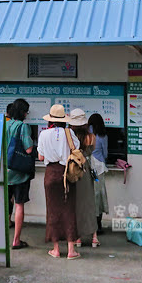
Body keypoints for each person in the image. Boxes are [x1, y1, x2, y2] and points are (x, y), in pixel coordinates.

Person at [37, 104, 80, 259]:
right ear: (64, 119)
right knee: (69, 209)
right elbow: (76, 149)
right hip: (66, 174)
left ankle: (55, 249)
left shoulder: (43, 134)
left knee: (52, 210)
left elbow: (41, 157)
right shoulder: (69, 133)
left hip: (50, 174)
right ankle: (71, 250)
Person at [6, 98, 35, 250]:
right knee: (19, 205)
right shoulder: (22, 127)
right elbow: (29, 149)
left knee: (4, 205)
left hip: (5, 171)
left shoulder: (4, 125)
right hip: (19, 173)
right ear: (23, 112)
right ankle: (16, 240)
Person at [70, 109, 99, 248]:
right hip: (86, 170)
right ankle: (94, 237)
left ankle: (78, 238)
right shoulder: (91, 137)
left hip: (74, 169)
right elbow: (92, 151)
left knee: (76, 203)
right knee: (89, 202)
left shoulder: (70, 137)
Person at [89, 113, 109, 235]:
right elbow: (105, 154)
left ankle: (89, 223)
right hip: (99, 169)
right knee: (99, 194)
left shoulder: (86, 133)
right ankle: (98, 224)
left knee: (88, 194)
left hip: (88, 166)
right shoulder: (102, 135)